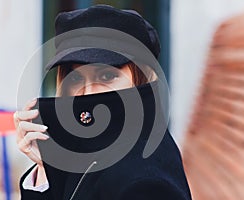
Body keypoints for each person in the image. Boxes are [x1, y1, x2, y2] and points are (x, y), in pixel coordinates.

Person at [14, 4, 192, 200]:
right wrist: (46, 169)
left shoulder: (146, 179)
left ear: (142, 78)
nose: (88, 92)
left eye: (107, 76)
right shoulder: (90, 151)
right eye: (75, 78)